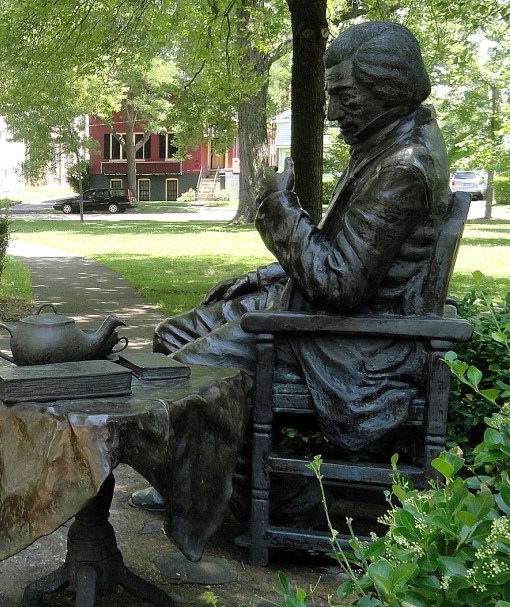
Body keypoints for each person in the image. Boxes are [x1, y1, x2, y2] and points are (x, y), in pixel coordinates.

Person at [131, 21, 452, 514]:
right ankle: (201, 482)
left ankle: (252, 500)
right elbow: (343, 255)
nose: (331, 111)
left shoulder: (403, 165)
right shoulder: (385, 142)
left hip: (352, 338)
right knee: (171, 337)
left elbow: (340, 285)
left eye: (345, 96)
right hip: (325, 312)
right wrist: (262, 277)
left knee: (184, 370)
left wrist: (281, 213)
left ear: (387, 88)